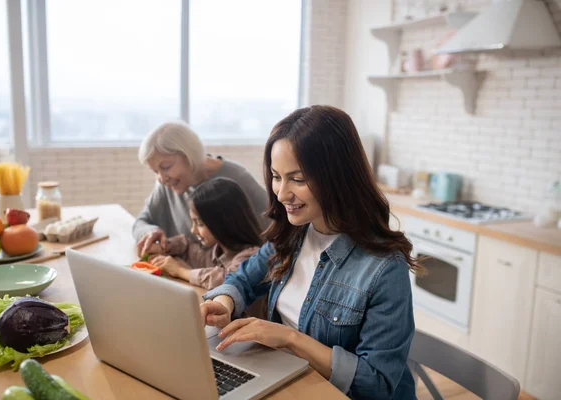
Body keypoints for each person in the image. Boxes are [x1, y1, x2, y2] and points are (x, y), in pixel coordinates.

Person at [200, 105, 422, 399]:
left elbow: (377, 384)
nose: (281, 194)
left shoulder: (384, 268)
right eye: (277, 177)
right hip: (294, 384)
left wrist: (290, 339)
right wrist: (225, 302)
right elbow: (244, 278)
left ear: (338, 177)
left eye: (298, 179)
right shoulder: (293, 234)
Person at [133, 121, 267, 256]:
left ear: (189, 155)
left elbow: (277, 230)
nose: (162, 178)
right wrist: (150, 231)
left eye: (166, 167)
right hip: (182, 273)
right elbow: (141, 222)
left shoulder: (236, 179)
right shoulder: (166, 185)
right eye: (155, 171)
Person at [146, 177, 262, 290]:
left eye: (200, 224)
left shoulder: (253, 257)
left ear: (223, 222)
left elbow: (226, 279)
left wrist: (180, 271)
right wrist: (165, 246)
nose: (193, 230)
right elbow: (188, 247)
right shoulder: (216, 250)